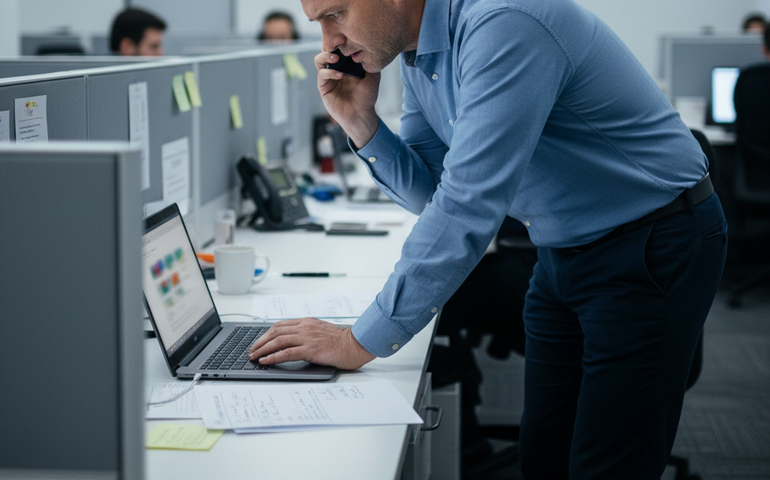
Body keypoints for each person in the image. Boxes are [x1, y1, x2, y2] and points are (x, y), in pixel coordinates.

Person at [250, 0, 728, 477]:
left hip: (651, 241)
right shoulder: (422, 55)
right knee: (544, 456)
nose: (329, 43)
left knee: (607, 464)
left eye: (335, 14)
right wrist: (360, 122)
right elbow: (434, 193)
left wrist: (358, 341)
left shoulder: (505, 21)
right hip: (562, 248)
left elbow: (467, 206)